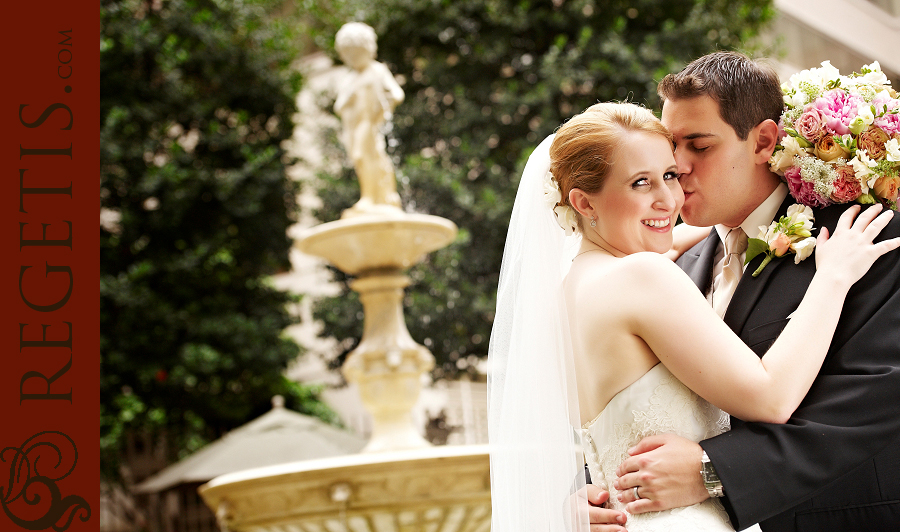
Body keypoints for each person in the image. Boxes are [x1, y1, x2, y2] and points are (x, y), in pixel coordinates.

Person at [487, 100, 899, 532]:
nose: (669, 198)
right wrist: (832, 277)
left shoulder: (566, 292)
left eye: (669, 175)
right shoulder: (645, 275)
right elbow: (771, 398)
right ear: (584, 204)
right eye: (640, 183)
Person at [590, 52, 900, 531]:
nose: (678, 166)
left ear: (764, 141)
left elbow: (872, 396)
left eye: (699, 145)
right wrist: (593, 493)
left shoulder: (860, 240)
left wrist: (713, 472)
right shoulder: (673, 268)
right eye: (671, 146)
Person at [333, 21, 404, 215]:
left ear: (368, 49)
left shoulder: (377, 70)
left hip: (367, 123)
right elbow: (339, 106)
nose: (353, 58)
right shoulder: (349, 79)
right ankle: (374, 195)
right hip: (351, 128)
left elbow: (397, 94)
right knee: (362, 160)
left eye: (357, 53)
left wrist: (381, 112)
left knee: (362, 155)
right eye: (349, 54)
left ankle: (370, 198)